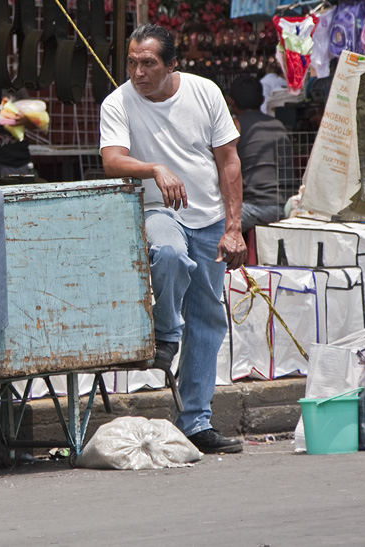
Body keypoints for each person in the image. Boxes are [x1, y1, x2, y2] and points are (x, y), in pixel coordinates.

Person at [100, 23, 246, 455]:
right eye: (131, 62)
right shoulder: (118, 101)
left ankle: (196, 422)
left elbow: (229, 161)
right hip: (156, 211)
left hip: (209, 217)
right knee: (165, 251)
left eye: (148, 63)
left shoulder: (204, 93)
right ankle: (166, 333)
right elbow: (112, 161)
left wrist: (233, 227)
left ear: (171, 65)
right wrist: (154, 170)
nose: (138, 72)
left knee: (208, 320)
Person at [228, 75, 294, 233]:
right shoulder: (277, 125)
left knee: (210, 227)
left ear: (230, 101)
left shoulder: (234, 127)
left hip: (254, 206)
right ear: (262, 99)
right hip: (285, 205)